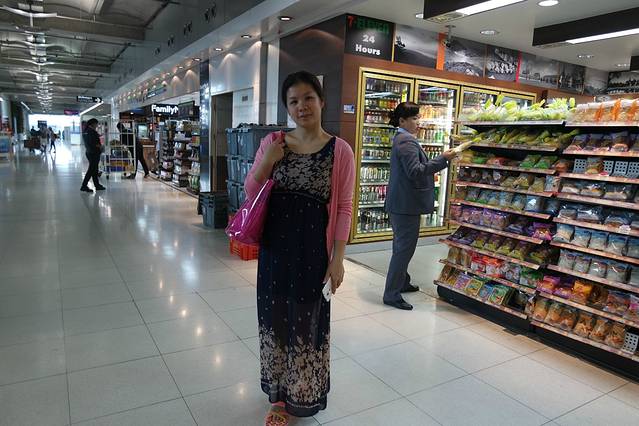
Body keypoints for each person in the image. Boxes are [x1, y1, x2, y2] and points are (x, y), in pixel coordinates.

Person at [244, 71, 355, 425]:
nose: (301, 106)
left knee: (308, 322)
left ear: (322, 101)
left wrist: (338, 259)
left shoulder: (340, 151)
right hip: (275, 251)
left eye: (308, 98)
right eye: (293, 101)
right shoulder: (274, 142)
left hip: (312, 253)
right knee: (275, 318)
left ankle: (304, 392)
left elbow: (344, 208)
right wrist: (268, 160)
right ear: (287, 108)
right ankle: (278, 397)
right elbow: (250, 191)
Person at [383, 102, 457, 310]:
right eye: (414, 118)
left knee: (401, 247)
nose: (418, 122)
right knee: (403, 250)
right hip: (405, 205)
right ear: (402, 120)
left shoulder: (402, 138)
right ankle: (391, 294)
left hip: (401, 203)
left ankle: (402, 282)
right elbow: (415, 171)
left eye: (418, 118)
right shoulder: (406, 141)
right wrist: (443, 159)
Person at [81, 118, 105, 192]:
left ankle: (97, 185)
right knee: (91, 170)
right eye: (96, 124)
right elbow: (93, 142)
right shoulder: (91, 131)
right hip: (94, 153)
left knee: (94, 170)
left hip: (89, 152)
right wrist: (100, 147)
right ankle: (84, 186)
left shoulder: (86, 131)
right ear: (93, 124)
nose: (97, 125)